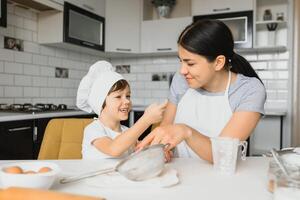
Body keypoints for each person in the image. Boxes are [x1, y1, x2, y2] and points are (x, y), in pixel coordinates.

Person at [137, 19, 266, 163]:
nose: (182, 70)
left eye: (190, 63)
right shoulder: (181, 80)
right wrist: (162, 149)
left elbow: (222, 155)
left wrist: (186, 132)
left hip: (221, 178)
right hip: (179, 173)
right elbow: (166, 128)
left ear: (218, 62)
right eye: (181, 61)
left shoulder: (249, 90)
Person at [77, 61, 167, 159]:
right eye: (118, 96)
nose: (127, 101)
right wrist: (146, 119)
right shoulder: (93, 129)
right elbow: (113, 149)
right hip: (95, 174)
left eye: (128, 96)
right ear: (100, 102)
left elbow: (140, 151)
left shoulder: (127, 131)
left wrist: (159, 153)